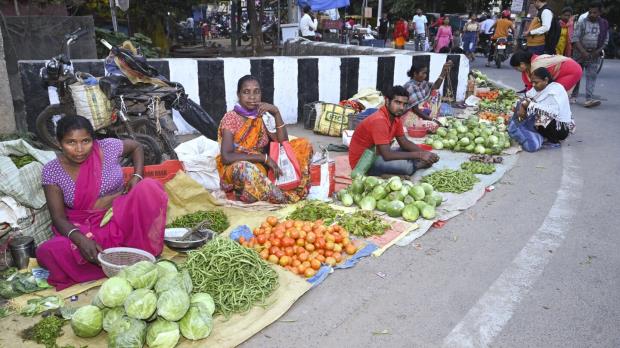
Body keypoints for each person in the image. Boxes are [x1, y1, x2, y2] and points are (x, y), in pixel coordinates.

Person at [36, 116, 168, 290]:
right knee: (48, 251)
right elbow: (58, 218)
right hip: (86, 228)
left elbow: (136, 147)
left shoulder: (107, 147)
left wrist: (137, 175)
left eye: (86, 141)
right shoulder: (52, 171)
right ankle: (125, 256)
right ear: (59, 143)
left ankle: (134, 250)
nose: (79, 149)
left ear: (94, 140)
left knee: (149, 187)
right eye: (71, 142)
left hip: (120, 216)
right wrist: (81, 240)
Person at [216, 75, 313, 204]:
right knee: (246, 169)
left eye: (256, 92)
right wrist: (264, 158)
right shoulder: (231, 118)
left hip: (263, 167)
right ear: (238, 95)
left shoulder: (263, 115)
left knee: (303, 145)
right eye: (246, 92)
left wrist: (276, 113)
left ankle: (269, 189)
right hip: (238, 165)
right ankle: (280, 197)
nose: (252, 97)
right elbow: (226, 157)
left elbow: (283, 143)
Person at [348, 86, 439, 177]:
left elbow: (404, 142)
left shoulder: (395, 117)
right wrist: (420, 155)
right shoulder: (379, 120)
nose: (401, 107)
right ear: (387, 101)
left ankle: (388, 173)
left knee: (408, 151)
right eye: (398, 102)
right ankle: (411, 167)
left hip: (378, 153)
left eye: (404, 104)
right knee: (406, 167)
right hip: (363, 163)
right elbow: (387, 155)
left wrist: (426, 154)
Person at [511, 67, 574, 150]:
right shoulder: (540, 87)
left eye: (536, 82)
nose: (533, 85)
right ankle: (544, 135)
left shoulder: (554, 90)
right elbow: (528, 96)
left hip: (561, 129)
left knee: (537, 116)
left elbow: (553, 112)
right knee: (524, 107)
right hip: (553, 123)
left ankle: (553, 141)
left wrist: (529, 105)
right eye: (532, 82)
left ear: (546, 80)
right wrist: (523, 106)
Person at [571, 2, 609, 107]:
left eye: (595, 12)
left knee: (591, 76)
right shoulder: (582, 22)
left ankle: (589, 99)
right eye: (590, 12)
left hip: (594, 54)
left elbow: (606, 40)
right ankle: (573, 95)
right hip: (579, 53)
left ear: (600, 12)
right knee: (577, 74)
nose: (592, 14)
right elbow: (575, 38)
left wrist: (597, 51)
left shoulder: (604, 24)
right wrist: (583, 52)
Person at [403, 60, 454, 131]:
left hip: (421, 113)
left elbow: (436, 86)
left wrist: (443, 71)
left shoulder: (422, 83)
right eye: (423, 73)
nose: (425, 75)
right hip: (410, 116)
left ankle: (429, 118)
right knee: (435, 126)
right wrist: (431, 119)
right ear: (415, 74)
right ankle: (425, 121)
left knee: (435, 92)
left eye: (425, 73)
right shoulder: (410, 86)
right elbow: (415, 109)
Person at [509, 50, 582, 94]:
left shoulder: (536, 66)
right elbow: (530, 86)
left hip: (572, 70)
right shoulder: (528, 66)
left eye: (516, 68)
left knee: (554, 94)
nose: (516, 70)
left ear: (522, 64)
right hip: (563, 69)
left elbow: (542, 87)